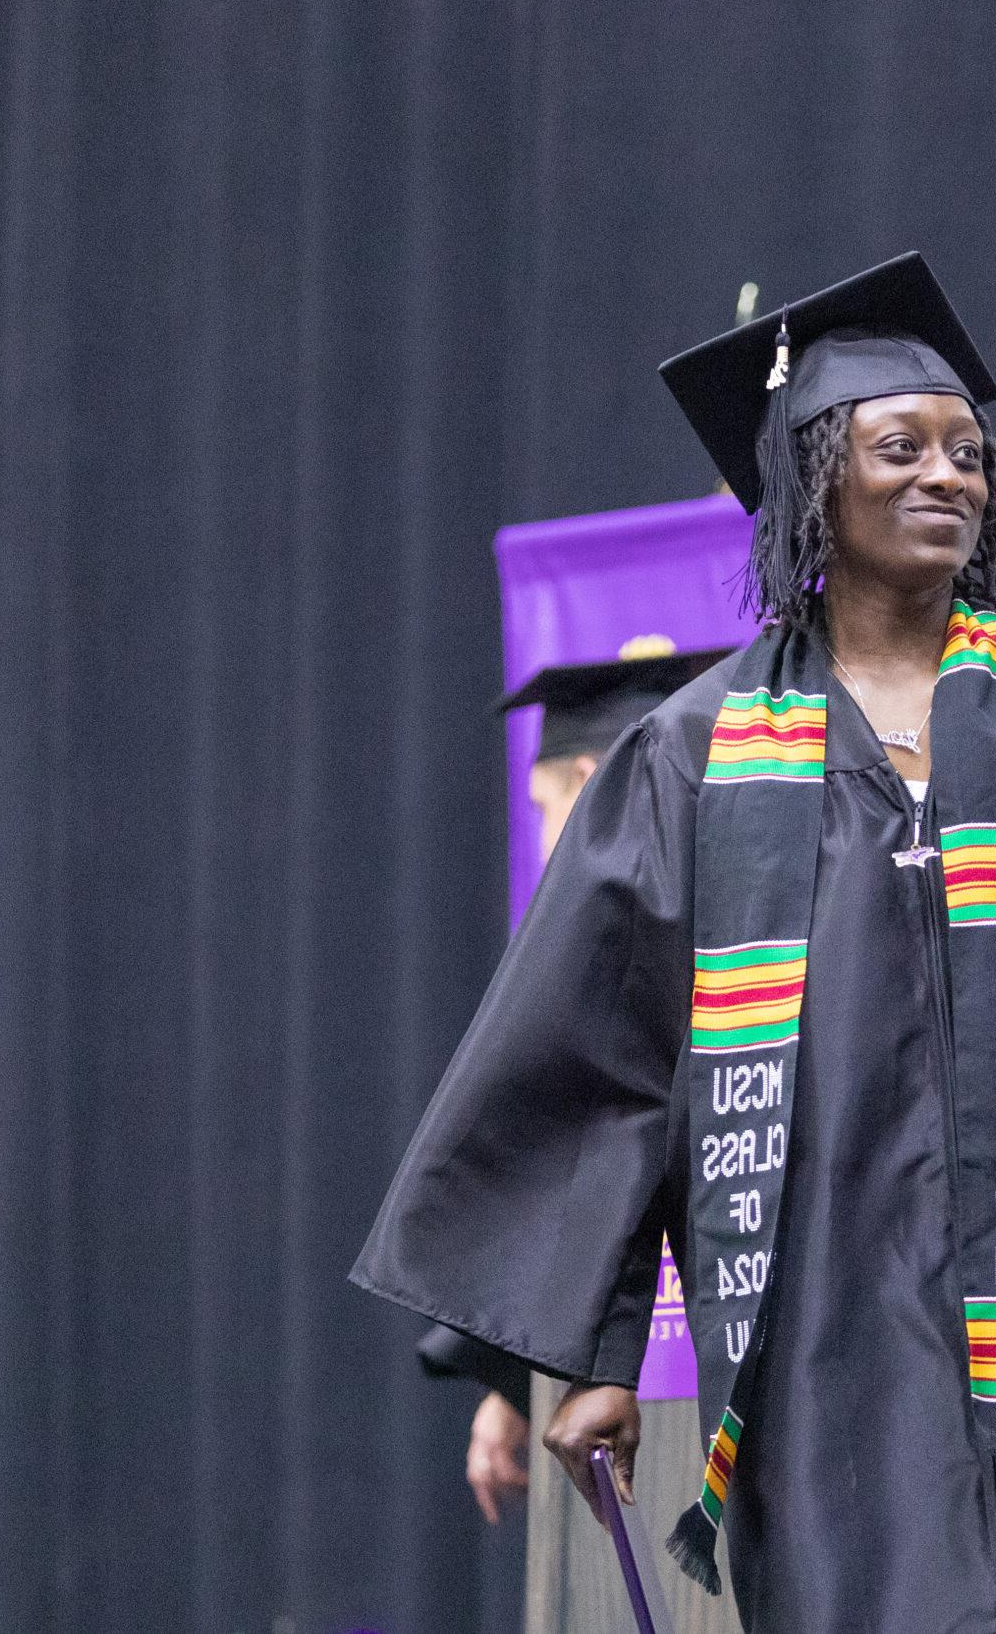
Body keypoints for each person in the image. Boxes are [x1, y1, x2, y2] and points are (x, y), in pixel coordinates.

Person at [355, 252, 996, 1632]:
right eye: (901, 446)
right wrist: (598, 1348)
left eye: (969, 451)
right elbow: (601, 1053)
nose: (948, 475)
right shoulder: (697, 760)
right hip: (840, 1330)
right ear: (813, 484)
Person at [417, 636, 727, 1524]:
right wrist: (515, 1380)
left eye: (546, 806)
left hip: (644, 1393)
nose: (548, 835)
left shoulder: (608, 953)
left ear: (594, 780)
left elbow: (587, 1164)